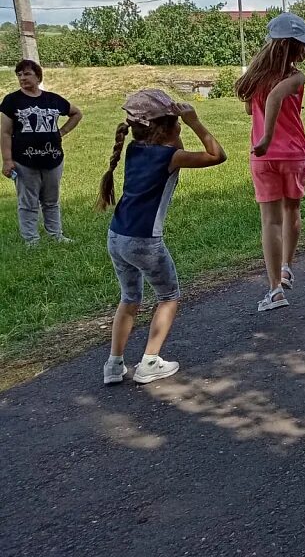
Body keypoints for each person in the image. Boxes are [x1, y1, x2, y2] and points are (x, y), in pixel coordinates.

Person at [96, 90, 226, 386]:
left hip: (117, 236)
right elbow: (218, 155)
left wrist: (175, 125)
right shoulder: (170, 156)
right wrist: (194, 122)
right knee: (168, 296)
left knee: (129, 298)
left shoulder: (133, 150)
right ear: (168, 126)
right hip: (145, 242)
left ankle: (114, 365)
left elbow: (171, 145)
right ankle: (149, 362)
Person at [235, 12, 305, 312]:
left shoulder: (254, 77)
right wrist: (270, 135)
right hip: (293, 153)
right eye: (304, 46)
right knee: (292, 210)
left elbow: (255, 107)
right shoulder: (296, 77)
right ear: (293, 47)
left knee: (270, 220)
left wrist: (264, 138)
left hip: (263, 157)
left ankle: (274, 291)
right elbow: (274, 99)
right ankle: (286, 266)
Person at [1, 59, 83, 245]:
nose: (22, 78)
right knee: (28, 203)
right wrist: (7, 160)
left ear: (38, 76)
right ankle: (32, 240)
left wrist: (62, 132)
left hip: (53, 159)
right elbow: (5, 132)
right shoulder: (11, 101)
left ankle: (56, 235)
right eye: (19, 75)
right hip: (24, 161)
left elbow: (76, 113)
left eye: (27, 74)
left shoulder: (52, 99)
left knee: (51, 201)